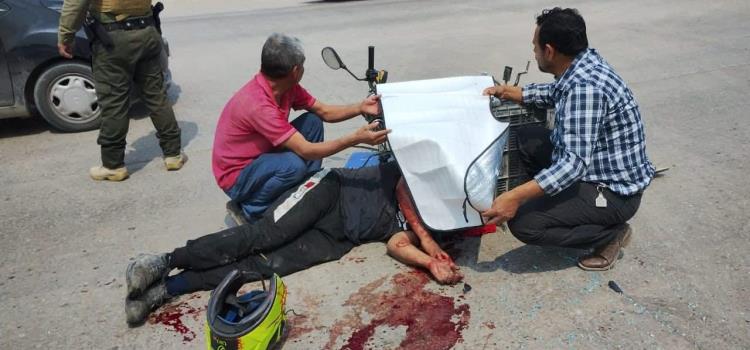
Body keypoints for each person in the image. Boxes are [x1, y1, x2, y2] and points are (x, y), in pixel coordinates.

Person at [124, 162, 462, 326]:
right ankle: (163, 260)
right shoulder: (428, 175)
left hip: (338, 237)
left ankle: (169, 288)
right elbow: (403, 188)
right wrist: (430, 244)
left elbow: (397, 243)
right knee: (264, 235)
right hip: (331, 191)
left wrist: (429, 262)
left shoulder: (438, 226)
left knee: (266, 265)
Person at [482, 8, 655, 271]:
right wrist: (511, 92)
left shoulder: (586, 89)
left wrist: (515, 197)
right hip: (596, 165)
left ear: (549, 51)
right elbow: (555, 91)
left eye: (535, 47)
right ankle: (553, 204)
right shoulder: (583, 64)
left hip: (614, 193)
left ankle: (610, 234)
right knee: (528, 138)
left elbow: (572, 165)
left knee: (526, 225)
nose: (534, 53)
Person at [212, 33, 390, 224]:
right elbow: (306, 150)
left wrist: (360, 107)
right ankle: (251, 209)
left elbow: (324, 111)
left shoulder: (287, 87)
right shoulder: (259, 105)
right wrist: (354, 138)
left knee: (312, 121)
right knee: (292, 165)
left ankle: (303, 192)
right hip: (237, 176)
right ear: (296, 70)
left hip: (262, 157)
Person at [58, 0, 186, 181]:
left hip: (112, 39)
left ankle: (113, 165)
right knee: (156, 96)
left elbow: (76, 3)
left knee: (114, 101)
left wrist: (66, 36)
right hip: (147, 32)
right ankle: (174, 155)